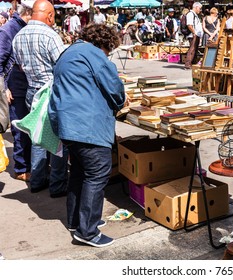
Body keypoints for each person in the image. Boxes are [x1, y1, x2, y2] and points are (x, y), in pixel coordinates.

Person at [48, 23, 125, 248]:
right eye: (109, 50)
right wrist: (121, 101)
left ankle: (76, 222)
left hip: (69, 124)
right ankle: (87, 231)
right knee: (97, 174)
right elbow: (114, 86)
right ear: (104, 44)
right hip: (86, 126)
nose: (108, 54)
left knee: (80, 173)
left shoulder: (69, 51)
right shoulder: (93, 54)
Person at [12, 0, 69, 198]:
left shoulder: (18, 36)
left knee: (38, 137)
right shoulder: (50, 35)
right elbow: (64, 65)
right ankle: (58, 184)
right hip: (51, 92)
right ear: (50, 16)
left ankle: (37, 180)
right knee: (58, 139)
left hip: (32, 91)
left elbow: (19, 66)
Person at [0, 4, 32, 182]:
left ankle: (28, 165)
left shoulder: (24, 28)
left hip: (25, 85)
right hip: (14, 87)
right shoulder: (8, 30)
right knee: (19, 129)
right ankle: (21, 168)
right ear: (28, 13)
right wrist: (4, 88)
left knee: (27, 129)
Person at [184, 2, 203, 70]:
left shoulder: (194, 15)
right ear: (196, 7)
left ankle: (192, 63)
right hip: (193, 35)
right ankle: (188, 64)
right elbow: (189, 25)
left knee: (195, 49)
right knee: (192, 50)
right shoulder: (190, 14)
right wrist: (194, 33)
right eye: (200, 8)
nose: (200, 10)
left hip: (196, 34)